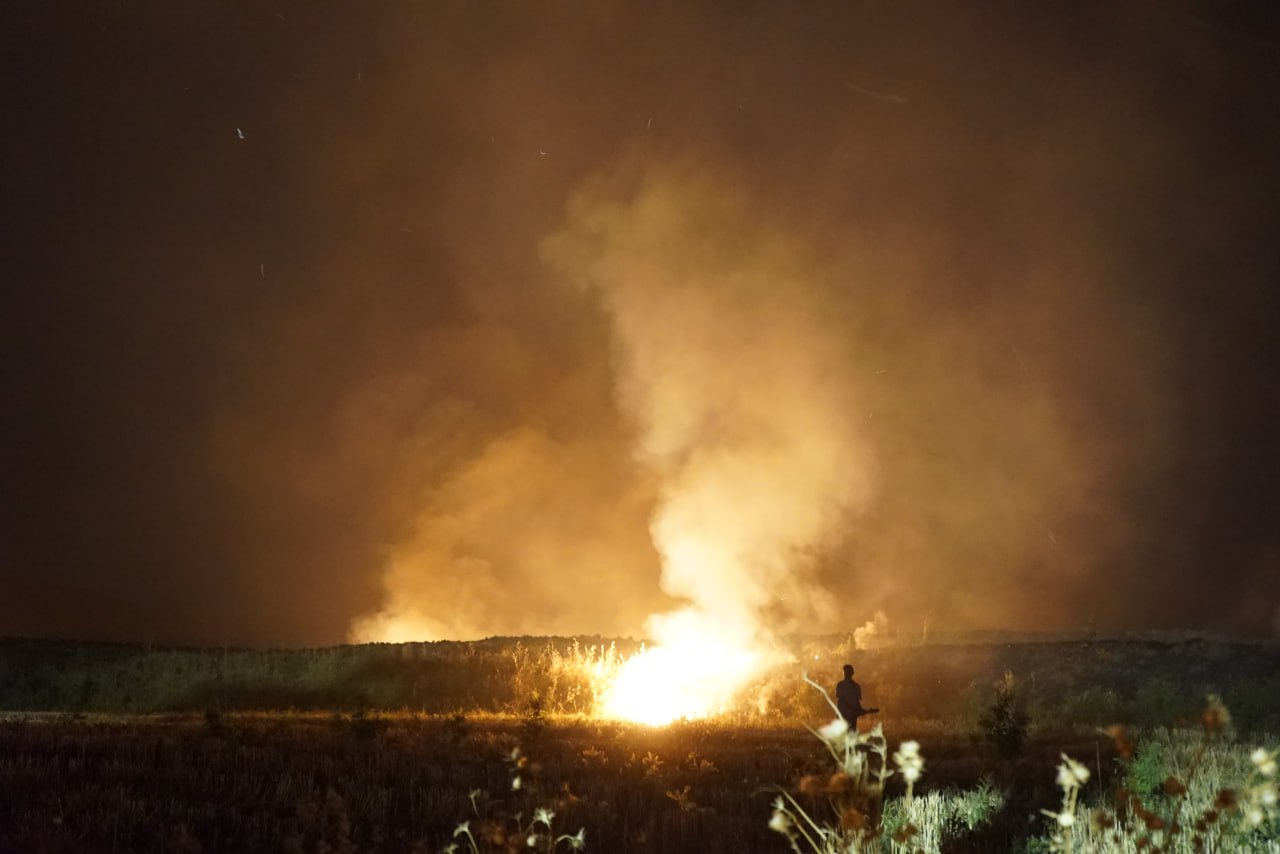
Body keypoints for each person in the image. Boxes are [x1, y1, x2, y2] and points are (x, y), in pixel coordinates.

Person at [835, 663, 875, 728]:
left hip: (852, 717)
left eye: (849, 672)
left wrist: (861, 710)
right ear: (843, 673)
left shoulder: (856, 687)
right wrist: (852, 709)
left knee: (851, 735)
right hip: (842, 715)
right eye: (846, 672)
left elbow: (857, 702)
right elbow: (840, 700)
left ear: (852, 673)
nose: (847, 673)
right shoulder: (840, 685)